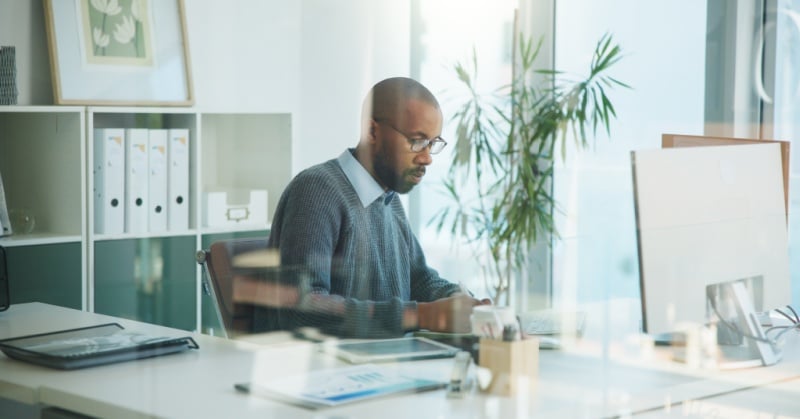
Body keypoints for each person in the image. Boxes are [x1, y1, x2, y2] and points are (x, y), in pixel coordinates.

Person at [253, 77, 490, 338]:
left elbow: (419, 279)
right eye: (417, 141)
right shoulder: (316, 191)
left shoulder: (387, 198)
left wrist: (463, 303)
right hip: (326, 371)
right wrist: (422, 315)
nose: (426, 157)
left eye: (433, 144)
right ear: (372, 131)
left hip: (381, 363)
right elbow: (302, 309)